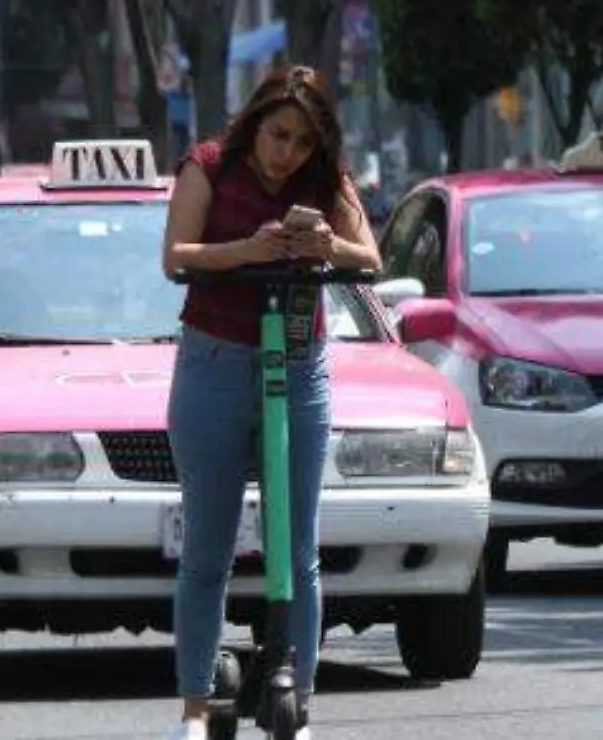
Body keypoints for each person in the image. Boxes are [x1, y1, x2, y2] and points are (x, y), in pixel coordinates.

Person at [158, 66, 382, 740]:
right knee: (207, 553)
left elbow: (369, 256)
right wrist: (247, 251)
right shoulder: (207, 166)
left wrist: (326, 245)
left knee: (300, 548)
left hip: (300, 361)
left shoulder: (325, 180)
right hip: (214, 362)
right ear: (254, 123)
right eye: (279, 135)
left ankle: (300, 705)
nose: (288, 153)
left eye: (303, 143)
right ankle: (195, 711)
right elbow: (176, 256)